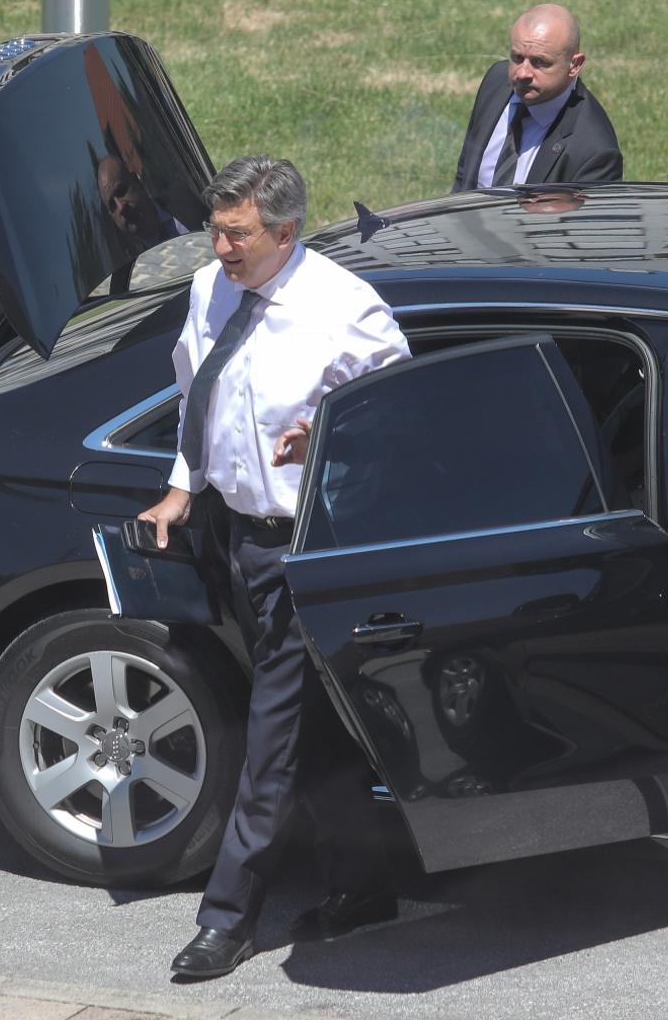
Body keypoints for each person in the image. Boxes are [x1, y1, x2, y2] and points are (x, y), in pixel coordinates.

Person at [137, 156, 410, 979]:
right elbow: (198, 393)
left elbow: (399, 415)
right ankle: (363, 886)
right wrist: (181, 490)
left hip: (308, 544)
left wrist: (327, 435)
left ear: (285, 233)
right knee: (314, 723)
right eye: (217, 230)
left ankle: (228, 918)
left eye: (238, 234)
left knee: (271, 734)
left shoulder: (342, 308)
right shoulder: (210, 288)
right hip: (236, 537)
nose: (220, 247)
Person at [452, 4, 622, 192]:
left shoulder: (594, 152)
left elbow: (584, 221)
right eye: (517, 58)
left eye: (539, 62)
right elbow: (465, 174)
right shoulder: (496, 81)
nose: (522, 73)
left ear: (575, 65)